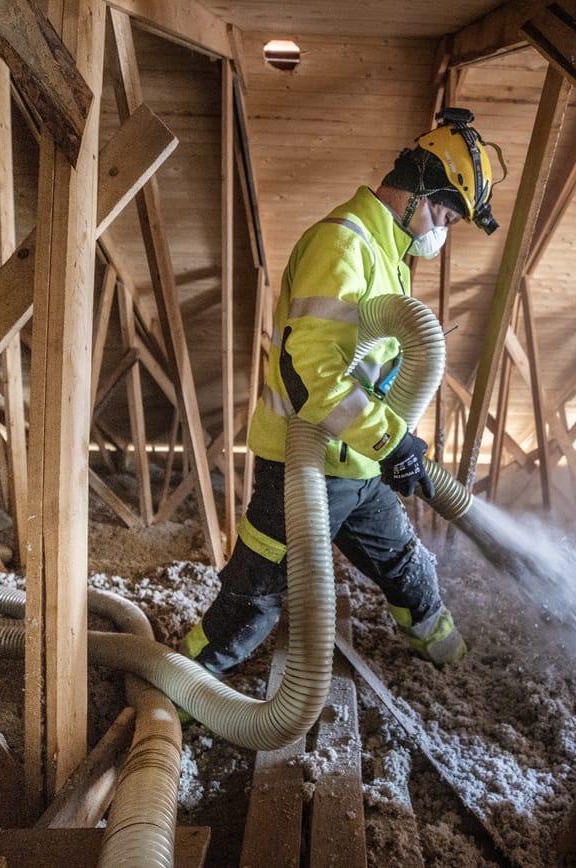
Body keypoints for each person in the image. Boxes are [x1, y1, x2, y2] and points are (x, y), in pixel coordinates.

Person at [182, 107, 501, 676]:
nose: (443, 236)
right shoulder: (343, 244)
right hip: (302, 466)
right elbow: (313, 370)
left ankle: (450, 663)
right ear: (417, 194)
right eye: (447, 219)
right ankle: (183, 688)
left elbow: (375, 367)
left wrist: (392, 443)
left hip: (356, 462)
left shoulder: (388, 253)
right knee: (255, 596)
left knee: (408, 566)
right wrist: (390, 441)